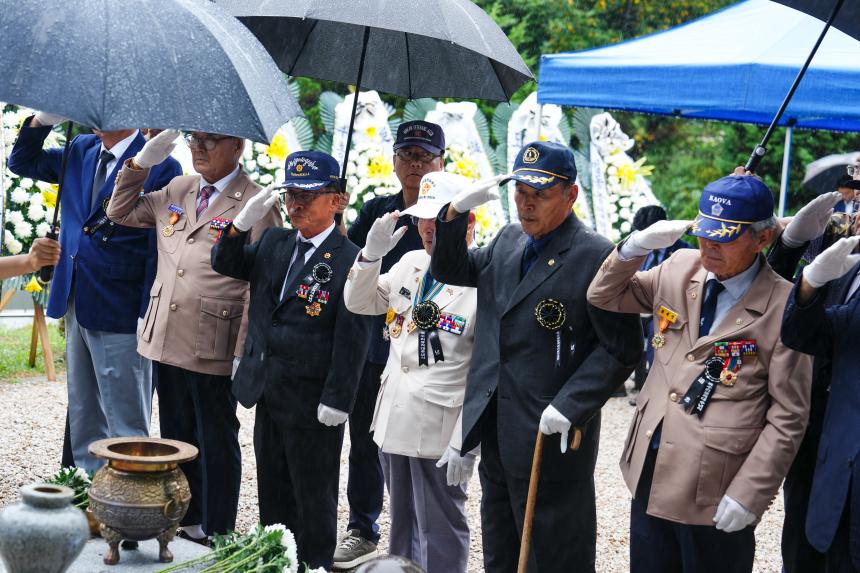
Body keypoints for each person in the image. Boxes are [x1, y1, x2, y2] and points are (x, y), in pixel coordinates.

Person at [431, 141, 643, 572]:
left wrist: (571, 404)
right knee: (501, 553)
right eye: (520, 192)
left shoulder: (595, 254)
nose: (526, 204)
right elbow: (451, 270)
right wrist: (453, 214)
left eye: (540, 194)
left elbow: (621, 347)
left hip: (552, 438)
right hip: (496, 429)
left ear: (571, 194)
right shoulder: (508, 239)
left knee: (555, 557)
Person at [587, 174, 813, 573]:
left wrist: (750, 493)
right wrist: (634, 247)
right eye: (704, 232)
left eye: (724, 237)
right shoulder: (679, 267)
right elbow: (603, 294)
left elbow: (788, 416)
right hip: (650, 470)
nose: (708, 245)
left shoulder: (783, 306)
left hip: (717, 490)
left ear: (762, 238)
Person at [106, 129, 281, 542]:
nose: (198, 147)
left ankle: (219, 531)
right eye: (194, 139)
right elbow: (119, 211)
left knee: (215, 438)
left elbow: (263, 281)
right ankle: (187, 519)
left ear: (237, 145)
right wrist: (139, 165)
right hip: (167, 335)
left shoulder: (254, 200)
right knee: (176, 433)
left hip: (214, 339)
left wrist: (244, 349)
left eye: (211, 140)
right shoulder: (179, 187)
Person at [211, 151, 370, 570]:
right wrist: (239, 225)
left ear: (336, 200)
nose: (296, 204)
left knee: (313, 497)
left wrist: (339, 397)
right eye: (291, 195)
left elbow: (353, 336)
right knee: (273, 491)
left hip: (313, 399)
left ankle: (314, 565)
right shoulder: (275, 242)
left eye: (307, 195)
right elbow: (225, 262)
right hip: (269, 388)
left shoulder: (350, 259)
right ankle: (277, 561)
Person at [8, 111, 181, 473]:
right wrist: (42, 122)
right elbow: (22, 162)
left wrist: (146, 311)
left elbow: (160, 248)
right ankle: (89, 489)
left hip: (122, 307)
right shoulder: (81, 148)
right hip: (75, 297)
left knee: (126, 418)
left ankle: (131, 495)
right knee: (83, 410)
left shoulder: (160, 163)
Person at [344, 172, 479, 573]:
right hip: (395, 418)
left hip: (440, 427)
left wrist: (466, 440)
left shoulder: (481, 275)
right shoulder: (411, 263)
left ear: (468, 222)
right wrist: (370, 256)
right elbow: (358, 301)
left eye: (438, 219)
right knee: (402, 524)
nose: (428, 228)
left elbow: (484, 369)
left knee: (441, 527)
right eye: (422, 218)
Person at [334, 120, 445, 569]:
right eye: (407, 155)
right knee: (365, 440)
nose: (415, 164)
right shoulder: (379, 210)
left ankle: (420, 534)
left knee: (420, 450)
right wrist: (338, 222)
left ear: (441, 162)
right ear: (395, 161)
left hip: (428, 351)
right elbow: (350, 264)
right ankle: (362, 527)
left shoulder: (448, 213)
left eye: (424, 156)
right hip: (376, 344)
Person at [767, 176, 860, 573]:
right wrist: (792, 244)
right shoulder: (841, 242)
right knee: (805, 545)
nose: (854, 198)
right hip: (818, 424)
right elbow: (774, 292)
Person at [630, 205, 693, 398]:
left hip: (668, 311)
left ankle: (655, 388)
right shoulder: (641, 250)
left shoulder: (685, 251)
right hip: (637, 309)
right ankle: (624, 382)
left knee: (656, 333)